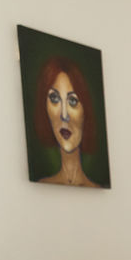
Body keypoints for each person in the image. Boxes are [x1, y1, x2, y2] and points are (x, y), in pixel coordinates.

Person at [32, 57, 101, 187]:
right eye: (54, 98)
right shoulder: (42, 185)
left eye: (73, 101)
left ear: (85, 110)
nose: (64, 115)